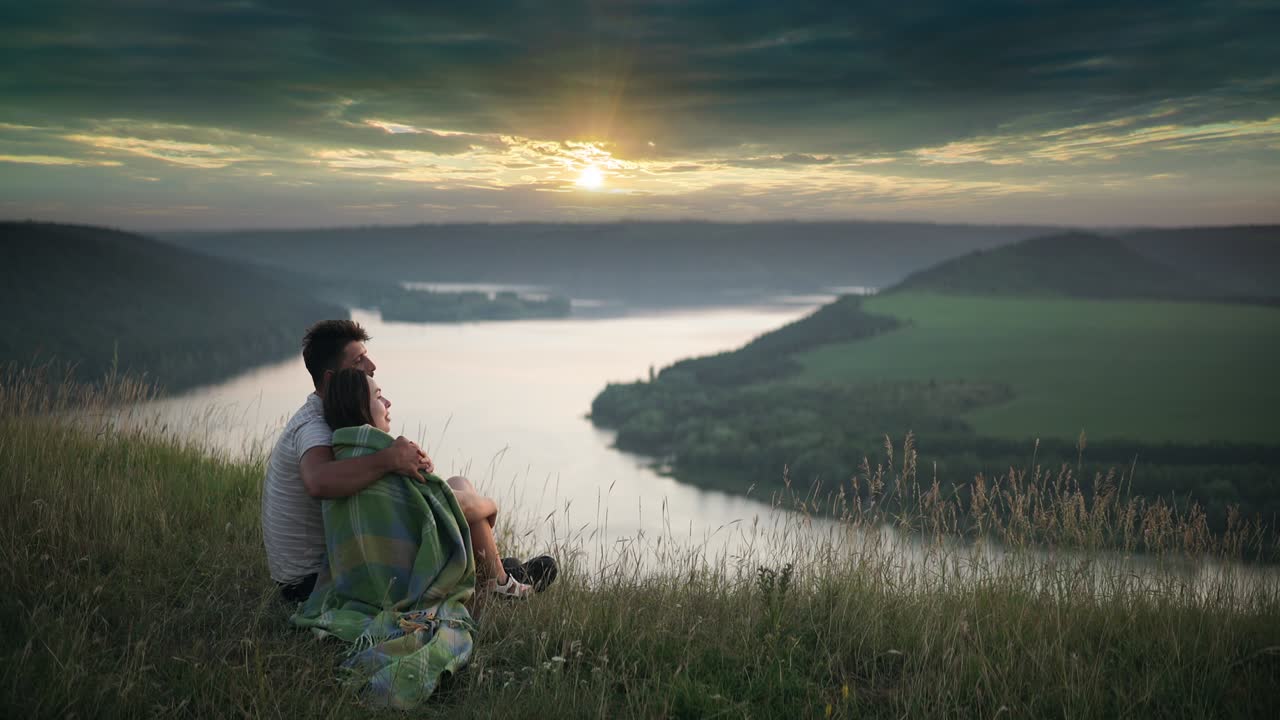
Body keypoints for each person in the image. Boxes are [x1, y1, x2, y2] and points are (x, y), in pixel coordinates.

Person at [261, 319, 554, 601]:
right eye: (359, 361)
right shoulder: (315, 427)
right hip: (313, 583)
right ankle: (499, 583)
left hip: (337, 565)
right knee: (459, 495)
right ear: (332, 378)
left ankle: (496, 574)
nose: (372, 367)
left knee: (457, 486)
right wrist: (390, 459)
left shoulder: (344, 431)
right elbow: (317, 481)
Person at [321, 367, 546, 598]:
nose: (388, 402)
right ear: (360, 407)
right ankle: (501, 585)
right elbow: (456, 507)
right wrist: (492, 504)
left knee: (459, 482)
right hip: (406, 583)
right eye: (378, 396)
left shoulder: (343, 461)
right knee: (470, 503)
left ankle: (500, 578)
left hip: (364, 578)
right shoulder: (386, 459)